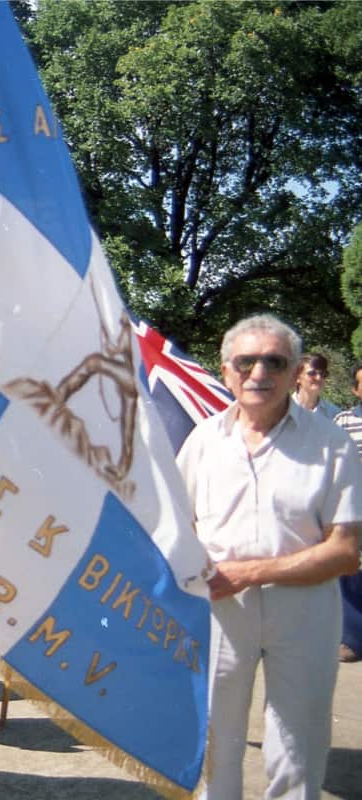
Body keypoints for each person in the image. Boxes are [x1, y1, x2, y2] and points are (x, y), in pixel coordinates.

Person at [177, 314, 362, 799]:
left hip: (304, 613)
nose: (259, 372)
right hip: (218, 613)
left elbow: (345, 552)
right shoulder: (202, 442)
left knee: (296, 750)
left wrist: (249, 572)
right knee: (214, 743)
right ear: (226, 370)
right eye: (246, 361)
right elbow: (178, 525)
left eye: (274, 361)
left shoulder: (333, 445)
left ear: (295, 369)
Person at [332, 362, 362, 664]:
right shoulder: (343, 420)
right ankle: (353, 639)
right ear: (355, 389)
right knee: (350, 569)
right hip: (355, 504)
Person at [292, 352, 340, 420]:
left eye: (323, 374)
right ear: (297, 377)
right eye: (312, 373)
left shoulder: (335, 414)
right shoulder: (280, 411)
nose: (319, 378)